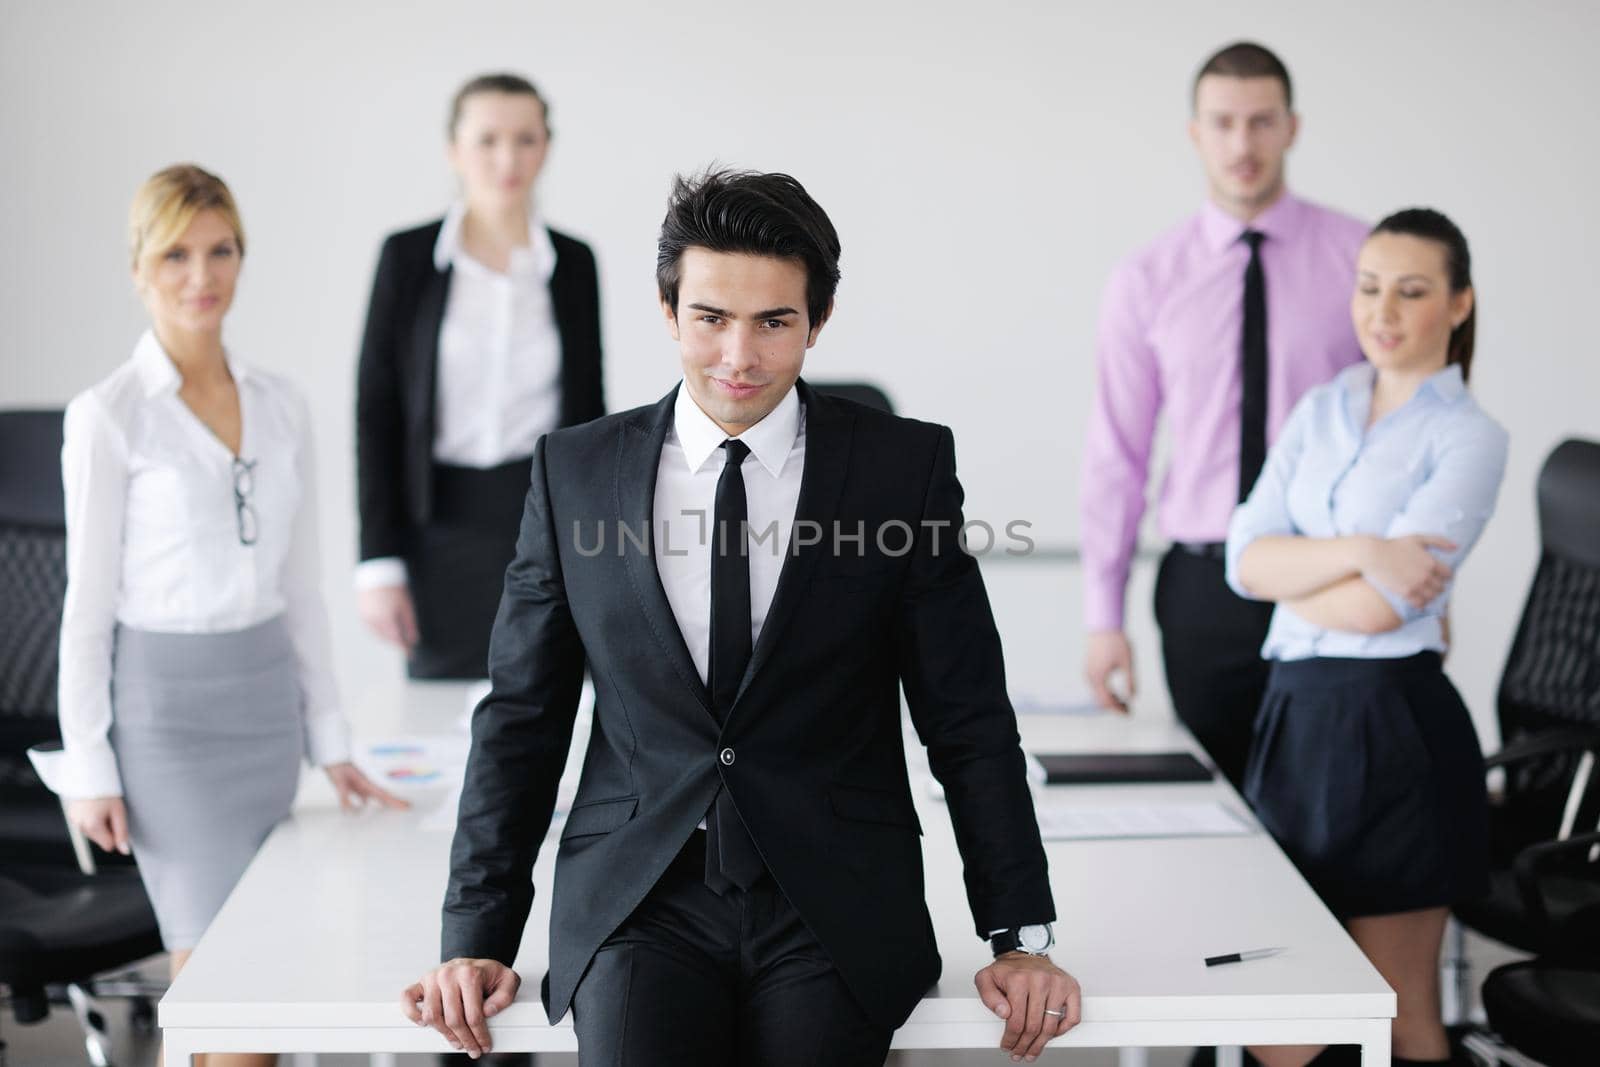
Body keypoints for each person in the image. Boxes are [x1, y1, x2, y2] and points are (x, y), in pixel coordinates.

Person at [401, 169, 1081, 1065]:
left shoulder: (900, 469)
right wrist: (475, 932)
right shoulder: (575, 472)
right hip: (639, 899)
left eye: (774, 322)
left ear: (819, 321)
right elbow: (521, 717)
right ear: (668, 308)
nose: (739, 357)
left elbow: (967, 716)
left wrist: (1018, 933)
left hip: (832, 896)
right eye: (711, 318)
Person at [32, 164, 405, 1066]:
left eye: (221, 250)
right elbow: (85, 605)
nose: (202, 275)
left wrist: (332, 737)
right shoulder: (110, 416)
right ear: (138, 270)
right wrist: (89, 764)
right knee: (237, 1016)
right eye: (177, 255)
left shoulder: (281, 405)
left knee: (256, 1004)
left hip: (266, 719)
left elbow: (303, 586)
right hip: (170, 735)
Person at [1226, 208, 1506, 1067]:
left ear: (1458, 305)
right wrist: (1363, 551)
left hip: (1393, 730)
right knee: (1282, 1025)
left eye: (1412, 291)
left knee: (1399, 1017)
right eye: (1370, 286)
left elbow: (1384, 611)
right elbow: (1242, 559)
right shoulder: (1322, 407)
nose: (1383, 310)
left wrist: (1300, 573)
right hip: (1296, 719)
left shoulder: (1469, 436)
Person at [1080, 41, 1368, 788]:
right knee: (1223, 805)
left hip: (1326, 573)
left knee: (1329, 804)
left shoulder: (1360, 260)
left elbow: (1398, 424)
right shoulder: (1146, 278)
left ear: (1292, 127)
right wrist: (1102, 616)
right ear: (1196, 132)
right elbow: (1119, 452)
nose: (1243, 144)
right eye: (1225, 122)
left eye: (1262, 121)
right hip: (1204, 586)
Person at [355, 72, 604, 681]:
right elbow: (377, 410)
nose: (507, 159)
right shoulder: (407, 258)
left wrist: (600, 550)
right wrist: (378, 563)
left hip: (542, 523)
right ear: (453, 150)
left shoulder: (572, 263)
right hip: (436, 525)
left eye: (525, 139)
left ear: (546, 147)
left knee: (545, 700)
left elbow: (590, 413)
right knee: (441, 719)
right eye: (487, 139)